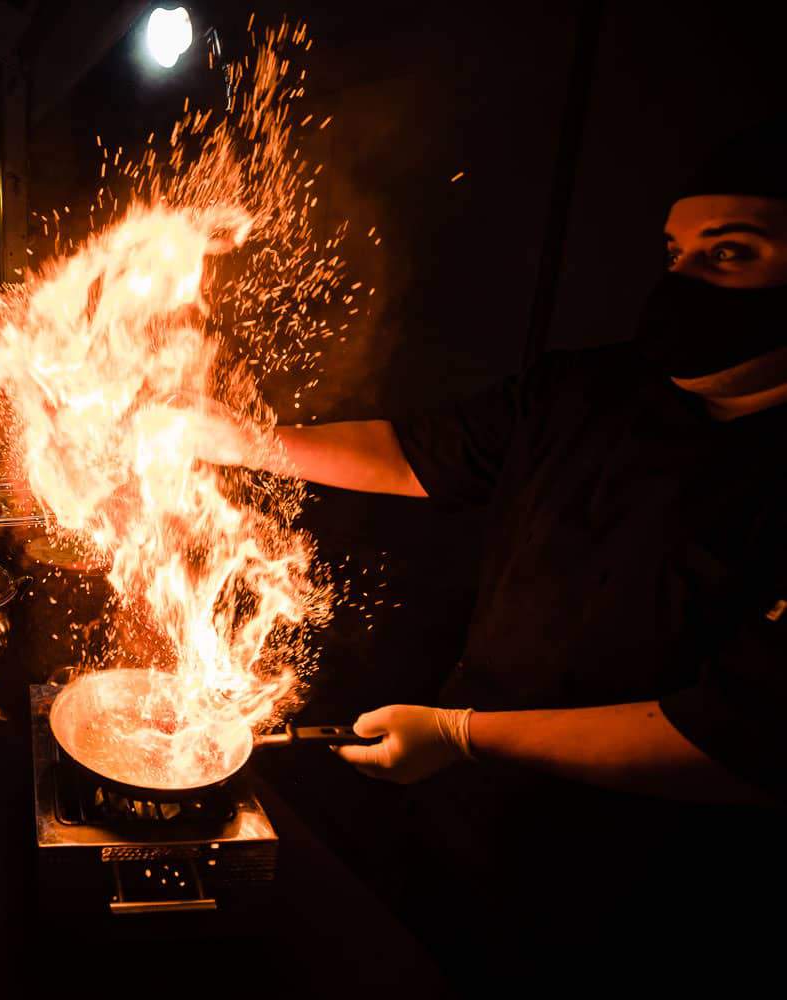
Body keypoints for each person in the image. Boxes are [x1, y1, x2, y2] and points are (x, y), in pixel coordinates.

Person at [202, 124, 787, 987]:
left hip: (649, 888)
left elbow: (737, 745)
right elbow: (412, 453)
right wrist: (215, 438)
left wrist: (463, 736)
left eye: (730, 254)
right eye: (675, 252)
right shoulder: (590, 387)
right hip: (468, 817)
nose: (683, 283)